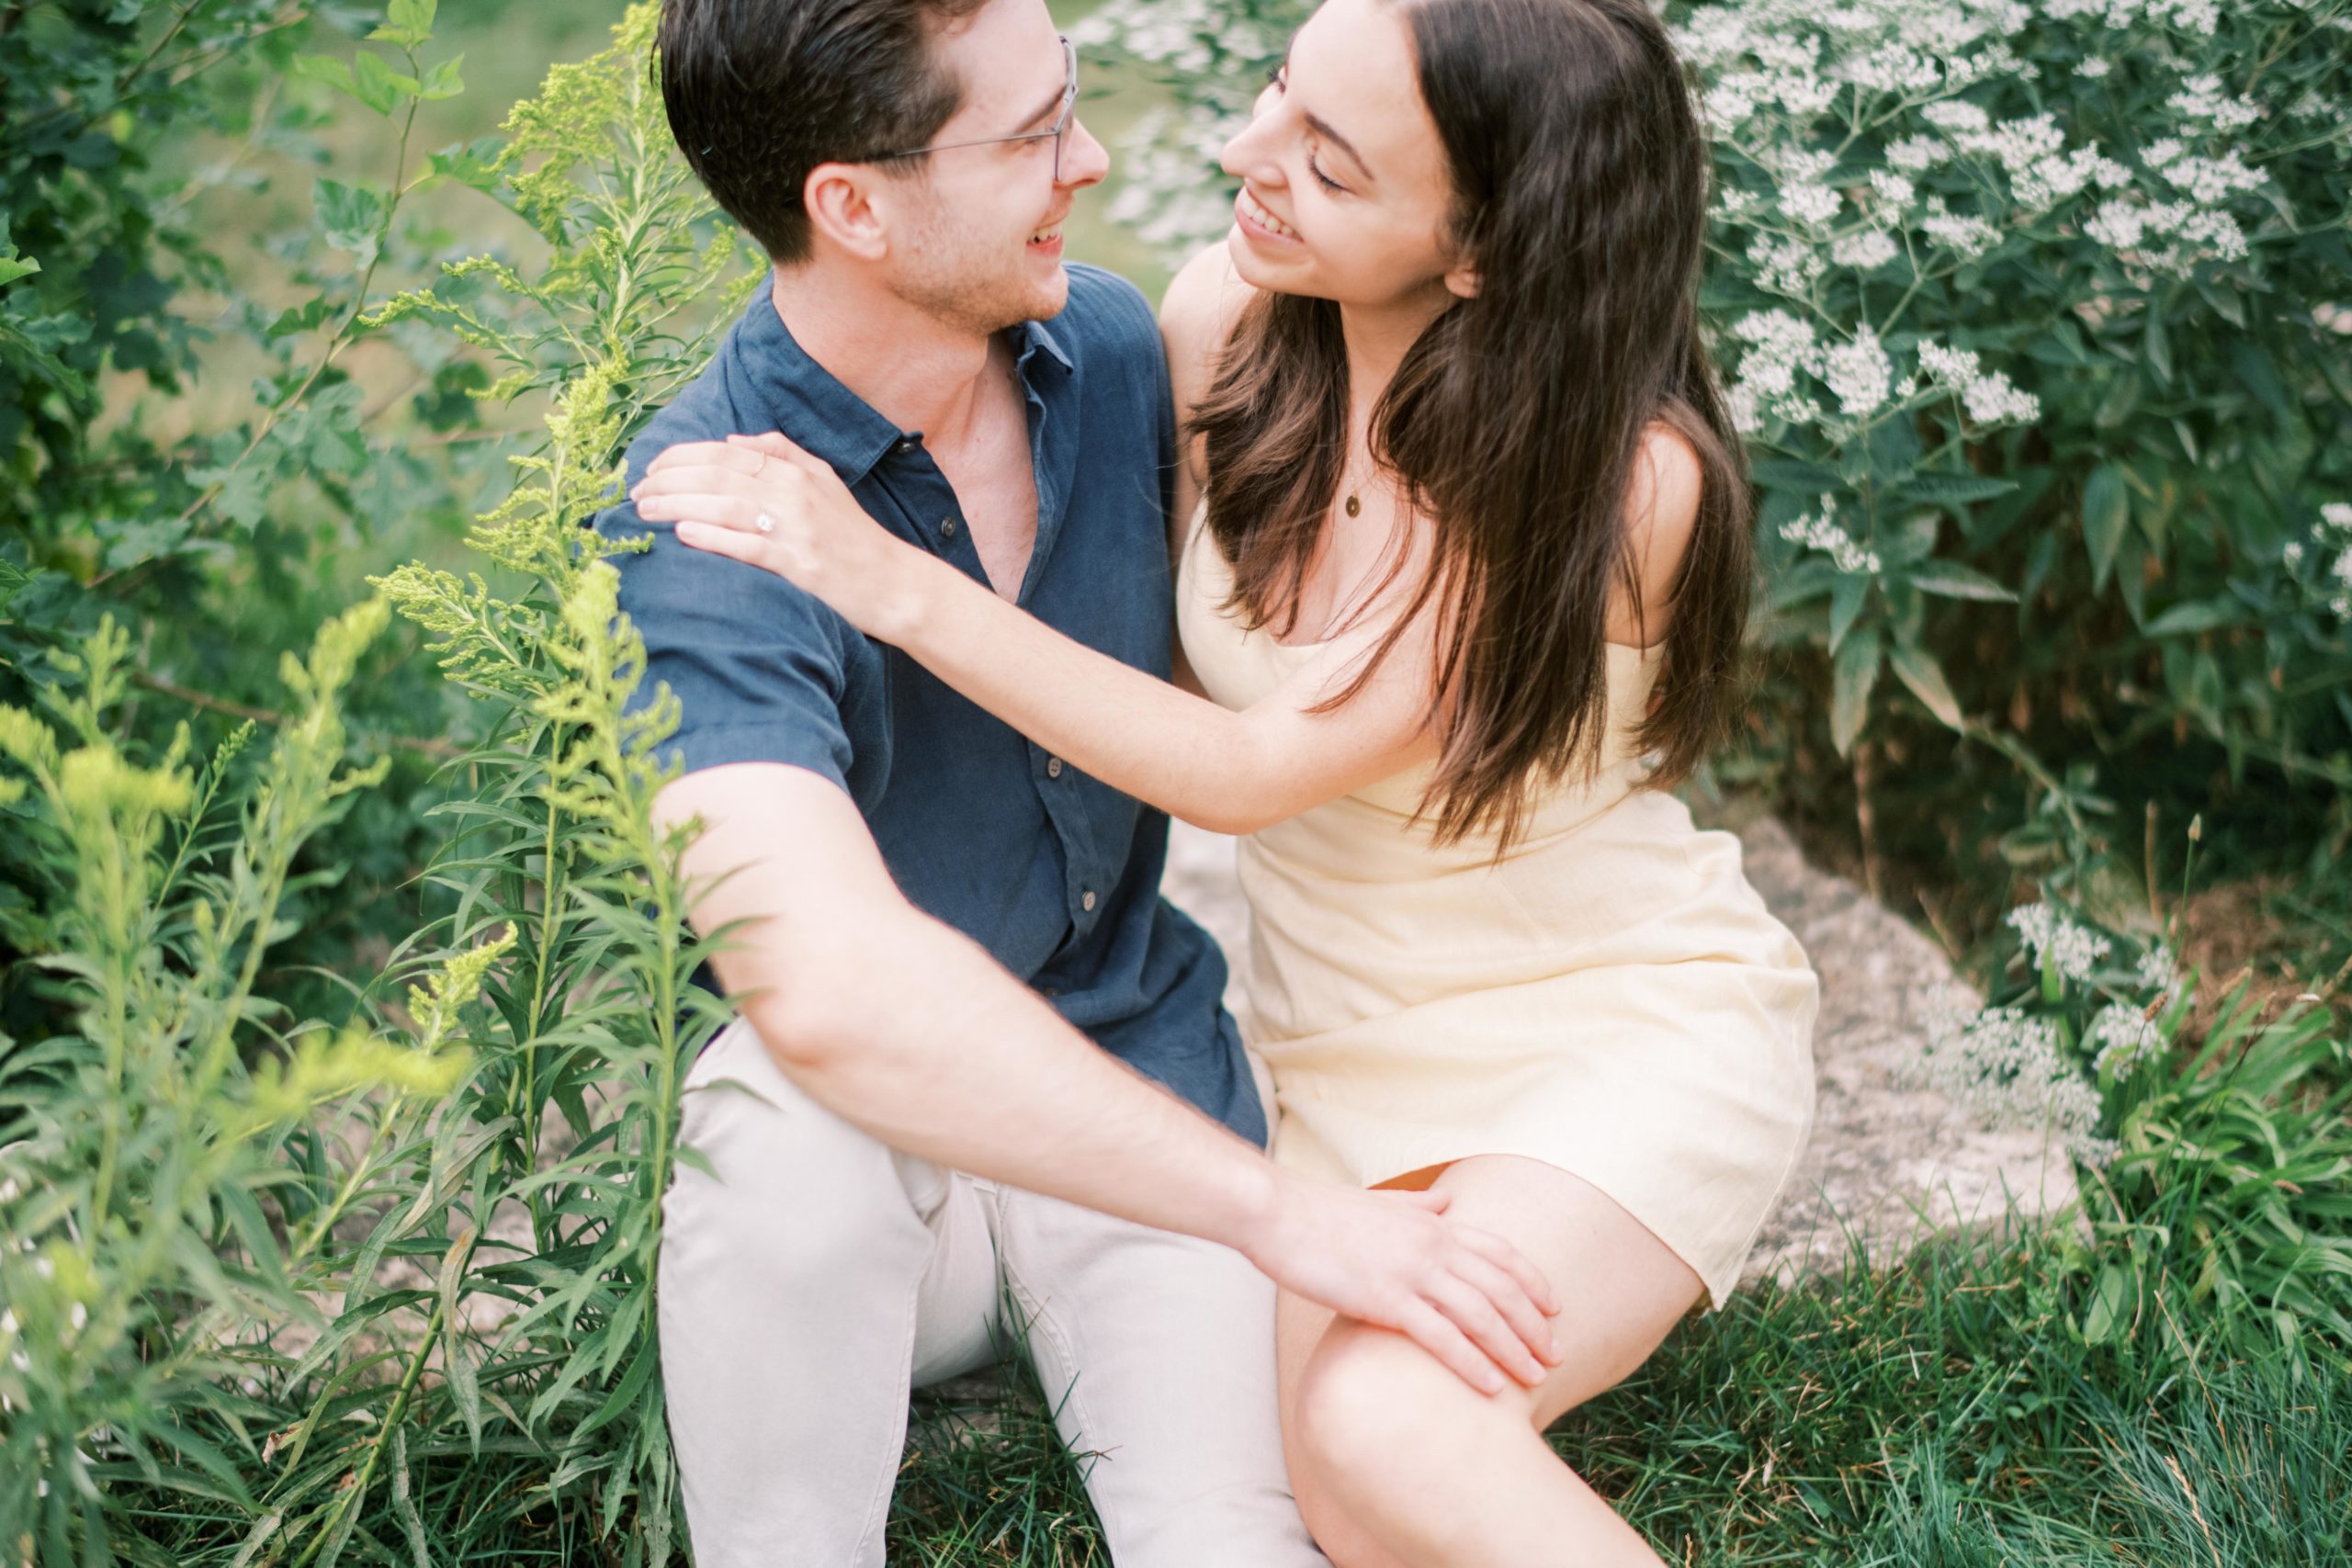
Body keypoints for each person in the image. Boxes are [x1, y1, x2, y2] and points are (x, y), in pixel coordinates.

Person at [631, 0, 1824, 1561]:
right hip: (1213, 1085)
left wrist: (894, 582)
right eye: (1277, 92)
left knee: (1348, 1453)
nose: (1199, 150)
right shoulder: (1185, 342)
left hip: (1463, 1038)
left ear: (1476, 247)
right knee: (785, 1135)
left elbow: (1250, 761)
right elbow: (868, 958)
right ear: (850, 202)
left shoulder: (1575, 464)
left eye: (1326, 159)